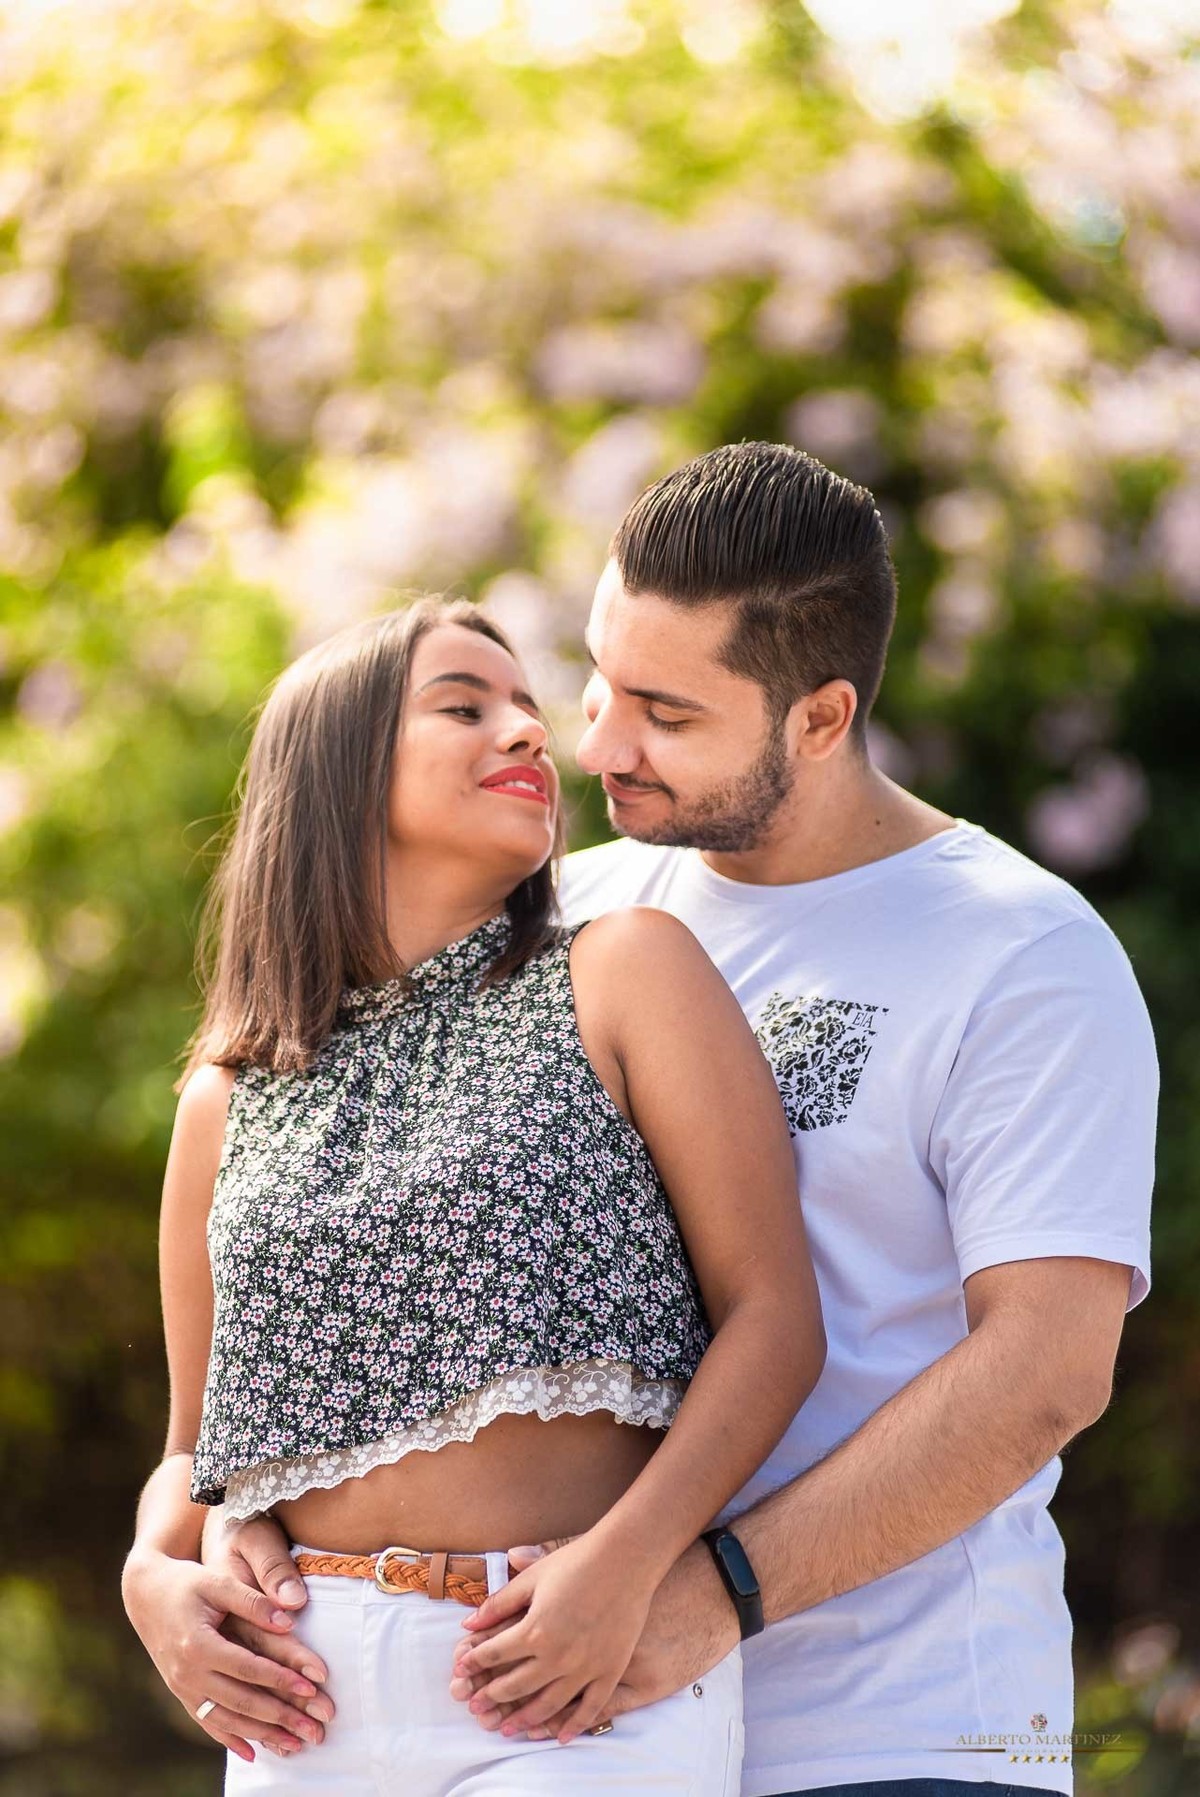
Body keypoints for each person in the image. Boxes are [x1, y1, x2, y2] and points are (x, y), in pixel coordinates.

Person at [131, 444, 1157, 1797]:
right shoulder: (559, 925)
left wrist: (711, 1590)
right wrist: (192, 1545)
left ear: (821, 719)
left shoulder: (1020, 952)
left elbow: (1045, 1373)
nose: (596, 744)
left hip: (891, 1725)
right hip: (536, 1688)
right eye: (602, 683)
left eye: (665, 713)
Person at [122, 593, 825, 1791]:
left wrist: (631, 1564)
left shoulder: (624, 971)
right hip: (302, 1703)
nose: (530, 732)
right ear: (337, 773)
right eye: (463, 707)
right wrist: (151, 1572)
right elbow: (195, 1449)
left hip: (570, 1673)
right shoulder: (227, 1098)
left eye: (525, 708)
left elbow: (774, 1320)